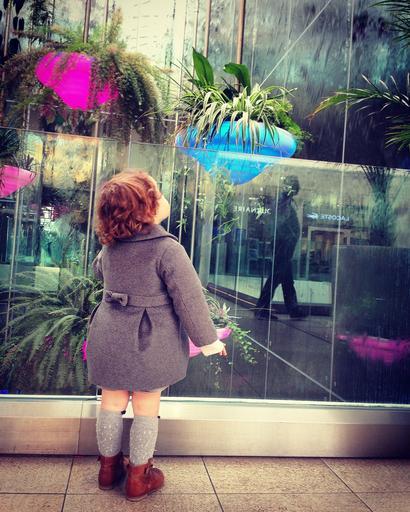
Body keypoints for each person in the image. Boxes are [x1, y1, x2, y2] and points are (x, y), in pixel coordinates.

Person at [87, 170, 227, 502]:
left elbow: (98, 272)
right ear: (146, 208)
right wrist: (209, 341)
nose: (163, 199)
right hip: (150, 340)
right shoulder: (166, 249)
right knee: (146, 405)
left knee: (111, 401)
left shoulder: (110, 246)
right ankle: (139, 477)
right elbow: (189, 300)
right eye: (157, 195)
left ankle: (108, 470)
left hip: (109, 335)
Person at [254, 175, 307, 320]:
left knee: (286, 278)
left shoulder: (285, 201)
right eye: (294, 185)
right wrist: (289, 238)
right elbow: (279, 223)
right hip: (283, 246)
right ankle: (261, 308)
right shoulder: (283, 202)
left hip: (284, 245)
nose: (296, 189)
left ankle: (293, 308)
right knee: (277, 276)